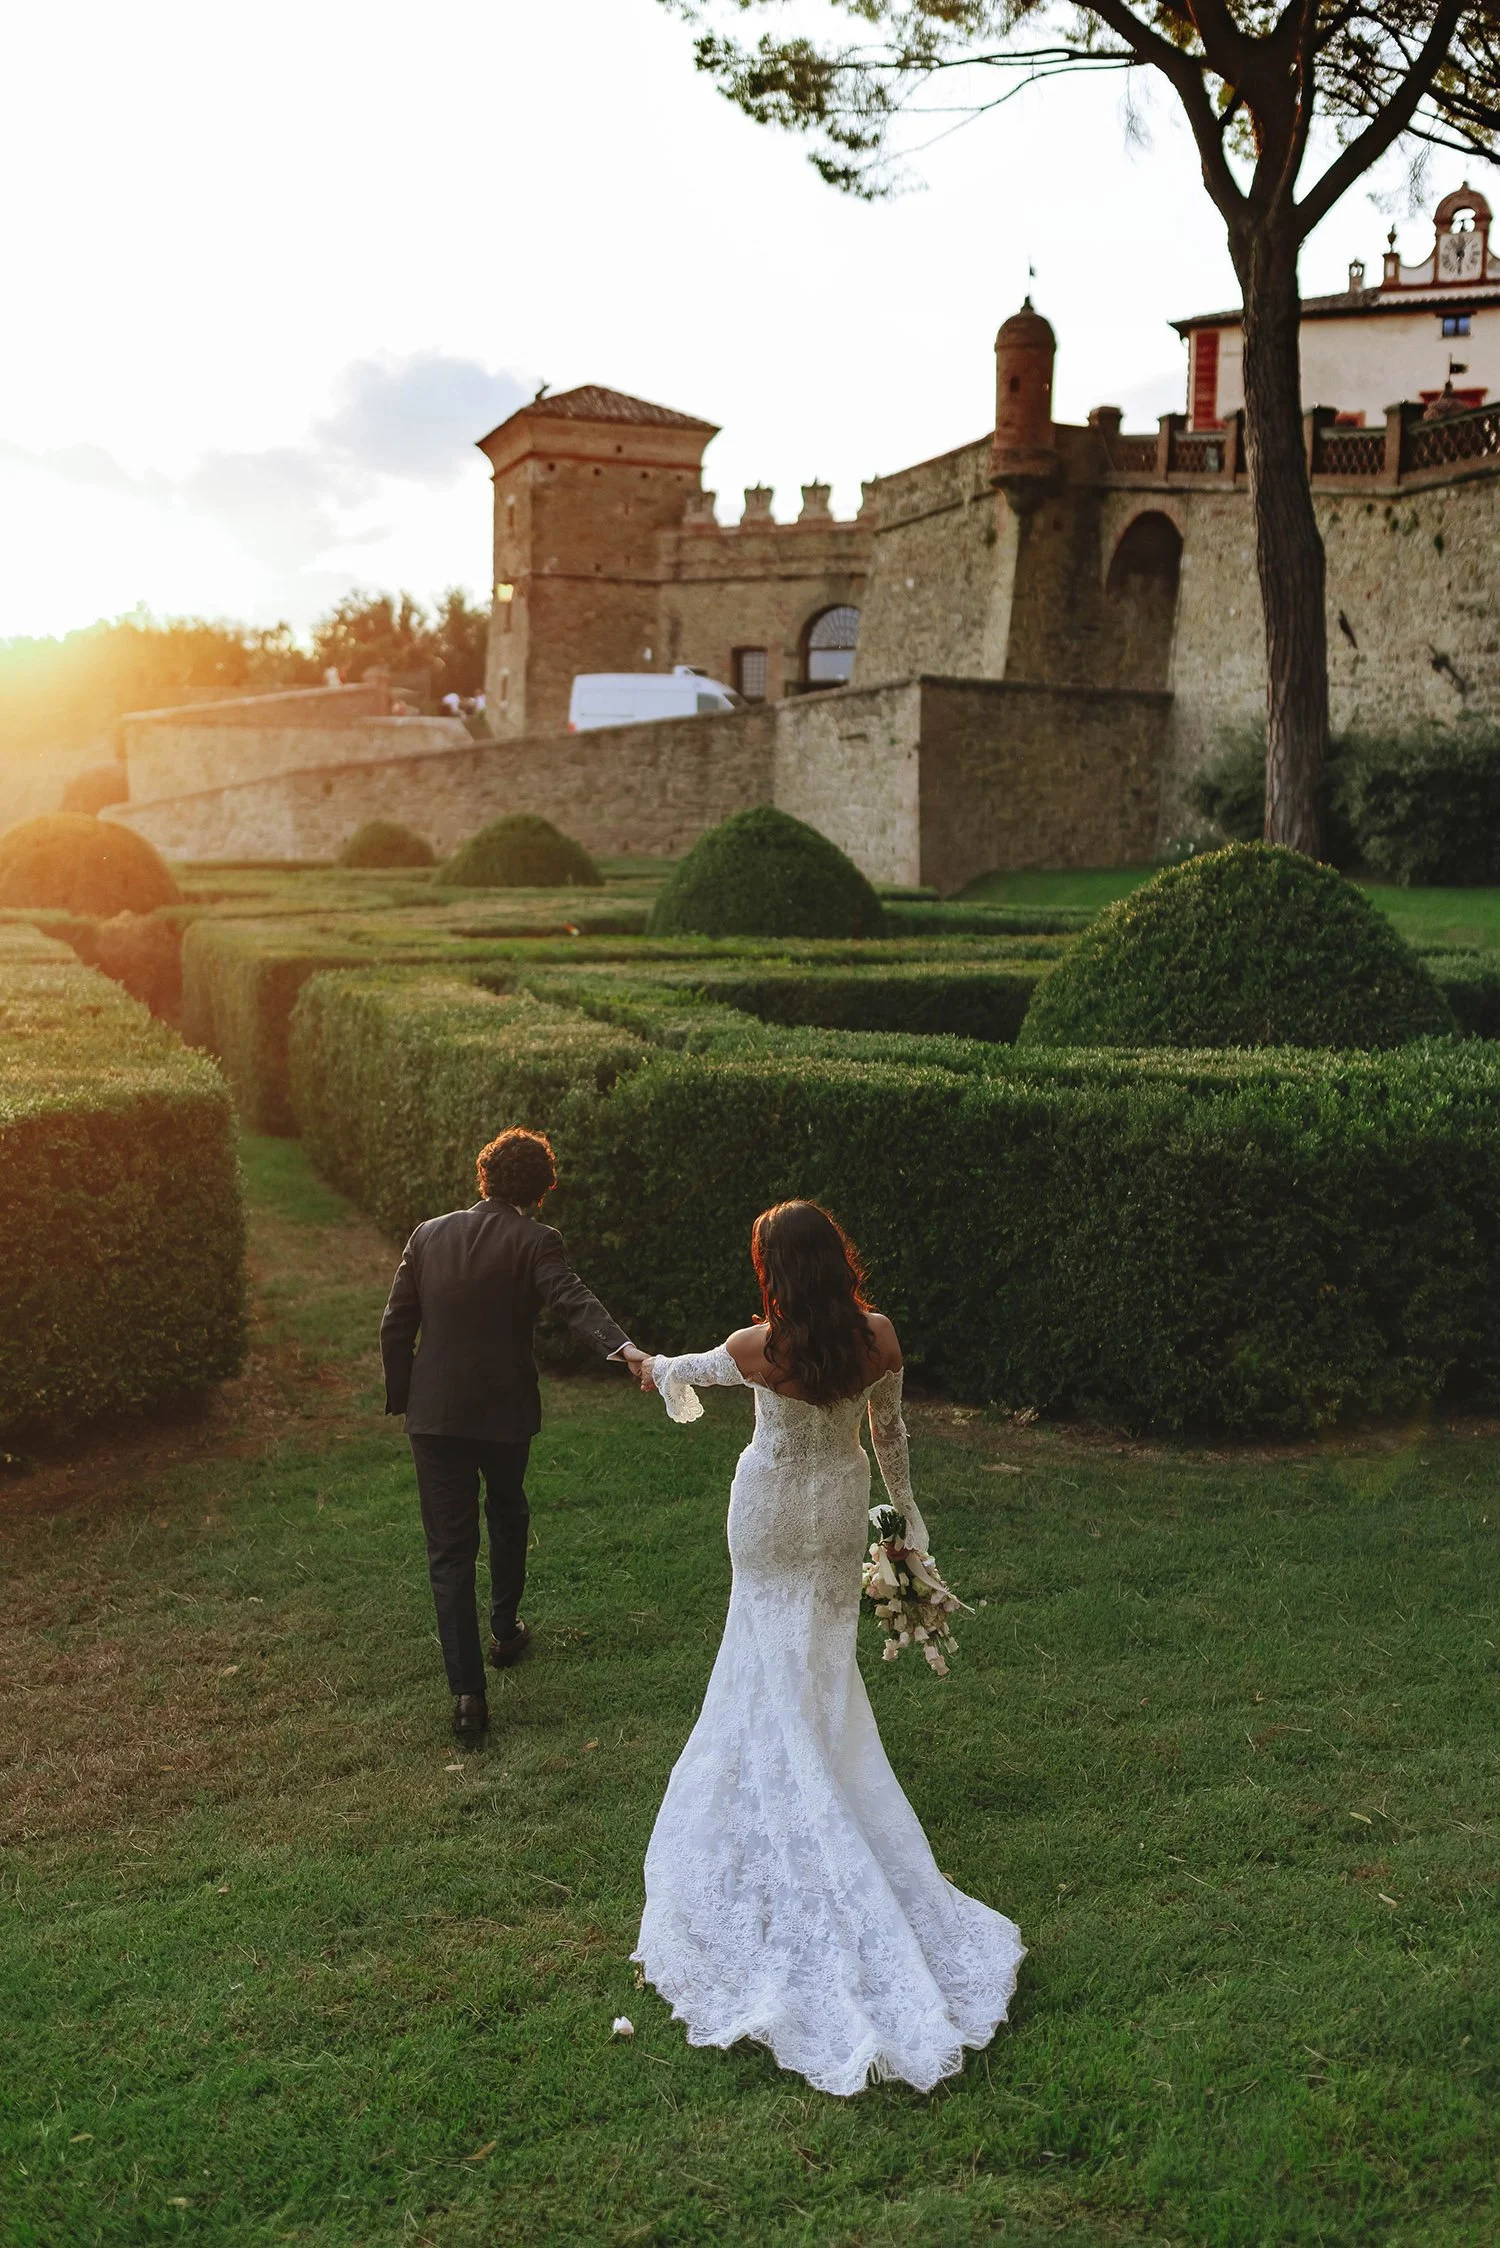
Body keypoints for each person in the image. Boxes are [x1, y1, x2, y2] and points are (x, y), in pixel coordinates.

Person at [629, 1200, 1025, 2096]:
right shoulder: (877, 1338)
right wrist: (907, 1518)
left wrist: (644, 1363)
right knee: (818, 1662)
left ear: (774, 1268)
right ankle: (819, 1771)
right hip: (836, 1508)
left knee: (762, 1654)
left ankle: (794, 1795)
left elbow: (676, 1375)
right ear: (837, 1258)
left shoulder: (756, 1348)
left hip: (768, 1514)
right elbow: (888, 1434)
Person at [380, 1127, 645, 1737]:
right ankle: (504, 1631)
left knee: (449, 1551)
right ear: (542, 1191)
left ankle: (468, 1697)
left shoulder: (428, 1234)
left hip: (435, 1418)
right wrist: (625, 1348)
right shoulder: (537, 1240)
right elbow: (572, 1300)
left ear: (484, 1176)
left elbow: (395, 1326)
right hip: (503, 1416)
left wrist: (405, 1395)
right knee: (506, 1511)